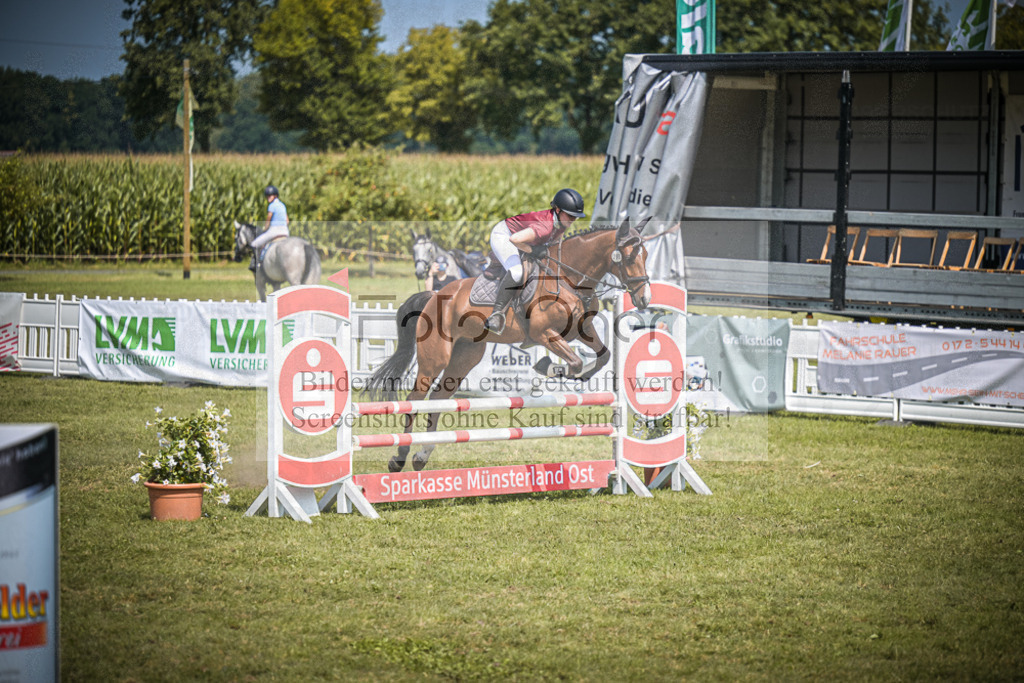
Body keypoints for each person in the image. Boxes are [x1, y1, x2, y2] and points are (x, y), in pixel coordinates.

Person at [484, 188, 586, 333]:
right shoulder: (545, 227)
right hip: (504, 235)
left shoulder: (561, 224)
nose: (573, 220)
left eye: (575, 217)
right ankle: (496, 314)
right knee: (517, 272)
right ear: (557, 210)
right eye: (570, 216)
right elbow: (515, 239)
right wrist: (533, 251)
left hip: (521, 239)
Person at [249, 185, 289, 271]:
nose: (268, 198)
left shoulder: (272, 206)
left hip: (274, 231)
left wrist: (265, 229)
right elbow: (287, 220)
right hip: (285, 231)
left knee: (254, 244)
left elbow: (268, 219)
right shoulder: (282, 205)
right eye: (267, 196)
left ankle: (257, 264)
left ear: (275, 196)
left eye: (270, 196)